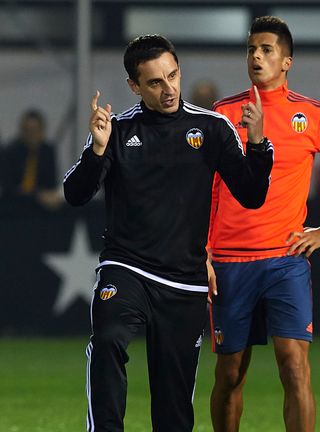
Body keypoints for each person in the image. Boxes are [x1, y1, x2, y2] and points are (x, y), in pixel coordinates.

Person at [63, 34, 273, 431]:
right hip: (127, 268)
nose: (169, 88)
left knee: (173, 408)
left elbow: (252, 194)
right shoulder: (118, 130)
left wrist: (259, 144)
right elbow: (75, 194)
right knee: (108, 340)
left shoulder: (211, 128)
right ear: (135, 86)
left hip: (184, 281)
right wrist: (96, 150)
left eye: (173, 75)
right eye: (155, 82)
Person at [207, 16, 320, 432]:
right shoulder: (222, 115)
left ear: (286, 62)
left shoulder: (310, 115)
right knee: (230, 374)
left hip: (285, 259)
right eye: (251, 49)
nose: (256, 57)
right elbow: (202, 189)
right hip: (229, 261)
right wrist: (201, 250)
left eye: (266, 50)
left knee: (294, 368)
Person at [0, 109, 62, 212]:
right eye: (28, 131)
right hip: (14, 208)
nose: (31, 135)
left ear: (42, 131)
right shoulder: (10, 152)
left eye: (35, 131)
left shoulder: (48, 152)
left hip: (42, 210)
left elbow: (51, 183)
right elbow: (9, 188)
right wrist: (37, 195)